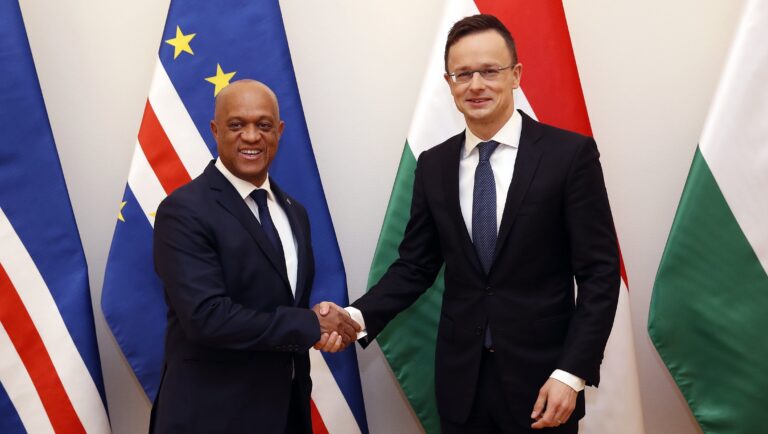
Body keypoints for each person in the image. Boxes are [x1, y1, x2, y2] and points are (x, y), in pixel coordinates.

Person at [345, 14, 620, 433]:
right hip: (462, 388)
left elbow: (599, 273)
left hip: (545, 386)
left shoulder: (569, 156)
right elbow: (415, 266)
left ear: (515, 75)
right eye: (463, 74)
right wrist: (355, 317)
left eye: (490, 71)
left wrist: (571, 373)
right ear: (449, 82)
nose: (476, 85)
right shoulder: (433, 165)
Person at [149, 79, 359, 434]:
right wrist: (310, 324)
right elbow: (207, 317)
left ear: (279, 131)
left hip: (286, 414)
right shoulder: (183, 210)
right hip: (211, 418)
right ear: (215, 130)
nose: (251, 137)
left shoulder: (295, 211)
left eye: (263, 125)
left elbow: (279, 302)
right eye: (236, 125)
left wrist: (319, 319)